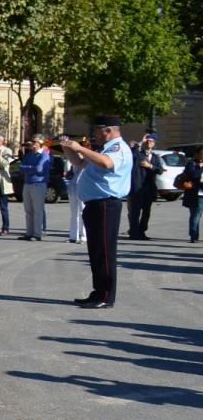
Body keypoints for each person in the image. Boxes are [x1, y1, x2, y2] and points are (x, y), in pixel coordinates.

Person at [61, 115, 132, 310]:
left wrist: (80, 148)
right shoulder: (104, 149)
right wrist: (67, 148)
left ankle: (106, 295)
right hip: (94, 205)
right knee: (96, 251)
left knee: (105, 253)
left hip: (106, 205)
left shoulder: (118, 148)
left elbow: (107, 164)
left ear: (107, 130)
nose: (94, 135)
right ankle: (98, 291)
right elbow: (81, 163)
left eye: (96, 131)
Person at [127, 132, 164, 240]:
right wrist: (140, 142)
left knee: (146, 212)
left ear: (154, 144)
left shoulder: (156, 157)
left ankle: (142, 231)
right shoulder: (138, 154)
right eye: (147, 141)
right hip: (137, 187)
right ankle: (134, 233)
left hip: (149, 188)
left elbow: (160, 170)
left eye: (151, 141)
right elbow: (132, 154)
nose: (149, 143)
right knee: (135, 212)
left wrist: (150, 166)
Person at [18, 134, 51, 242]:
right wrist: (32, 168)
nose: (31, 144)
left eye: (33, 142)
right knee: (28, 210)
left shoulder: (44, 155)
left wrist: (29, 168)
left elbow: (40, 168)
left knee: (37, 210)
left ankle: (37, 233)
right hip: (27, 184)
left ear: (39, 143)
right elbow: (20, 167)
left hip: (38, 184)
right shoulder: (29, 155)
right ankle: (29, 232)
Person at [65, 149, 87, 245]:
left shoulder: (87, 162)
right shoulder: (73, 164)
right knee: (74, 214)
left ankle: (84, 236)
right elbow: (68, 173)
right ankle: (73, 236)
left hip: (82, 189)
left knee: (83, 213)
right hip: (72, 188)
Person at [180, 148, 203, 244]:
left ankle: (195, 235)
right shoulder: (191, 164)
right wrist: (201, 167)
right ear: (197, 154)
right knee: (195, 215)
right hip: (195, 194)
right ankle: (193, 236)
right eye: (202, 153)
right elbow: (194, 175)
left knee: (197, 215)